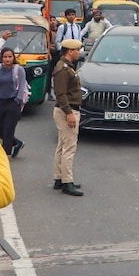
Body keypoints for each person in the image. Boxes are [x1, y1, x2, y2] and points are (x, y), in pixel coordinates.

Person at [52, 38, 84, 196]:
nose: (79, 52)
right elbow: (61, 94)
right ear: (70, 51)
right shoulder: (64, 69)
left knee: (62, 146)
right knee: (69, 148)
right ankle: (67, 182)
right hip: (67, 110)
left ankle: (59, 177)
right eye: (77, 50)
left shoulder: (66, 67)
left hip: (65, 110)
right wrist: (70, 113)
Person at [0, 48, 29, 157]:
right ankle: (17, 142)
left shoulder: (18, 70)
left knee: (8, 129)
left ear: (13, 58)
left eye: (10, 57)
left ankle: (4, 155)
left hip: (12, 102)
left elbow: (21, 87)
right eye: (5, 57)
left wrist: (17, 101)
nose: (7, 59)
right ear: (1, 58)